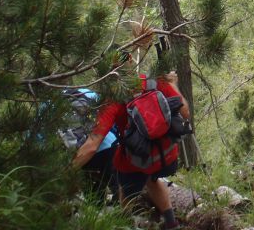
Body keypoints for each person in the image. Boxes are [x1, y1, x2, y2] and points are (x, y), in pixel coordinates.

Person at [73, 71, 190, 230]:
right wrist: (173, 84)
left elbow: (93, 144)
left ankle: (126, 222)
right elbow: (185, 113)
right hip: (167, 156)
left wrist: (67, 171)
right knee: (152, 178)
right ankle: (171, 223)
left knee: (123, 177)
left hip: (137, 160)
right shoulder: (154, 82)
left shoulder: (111, 101)